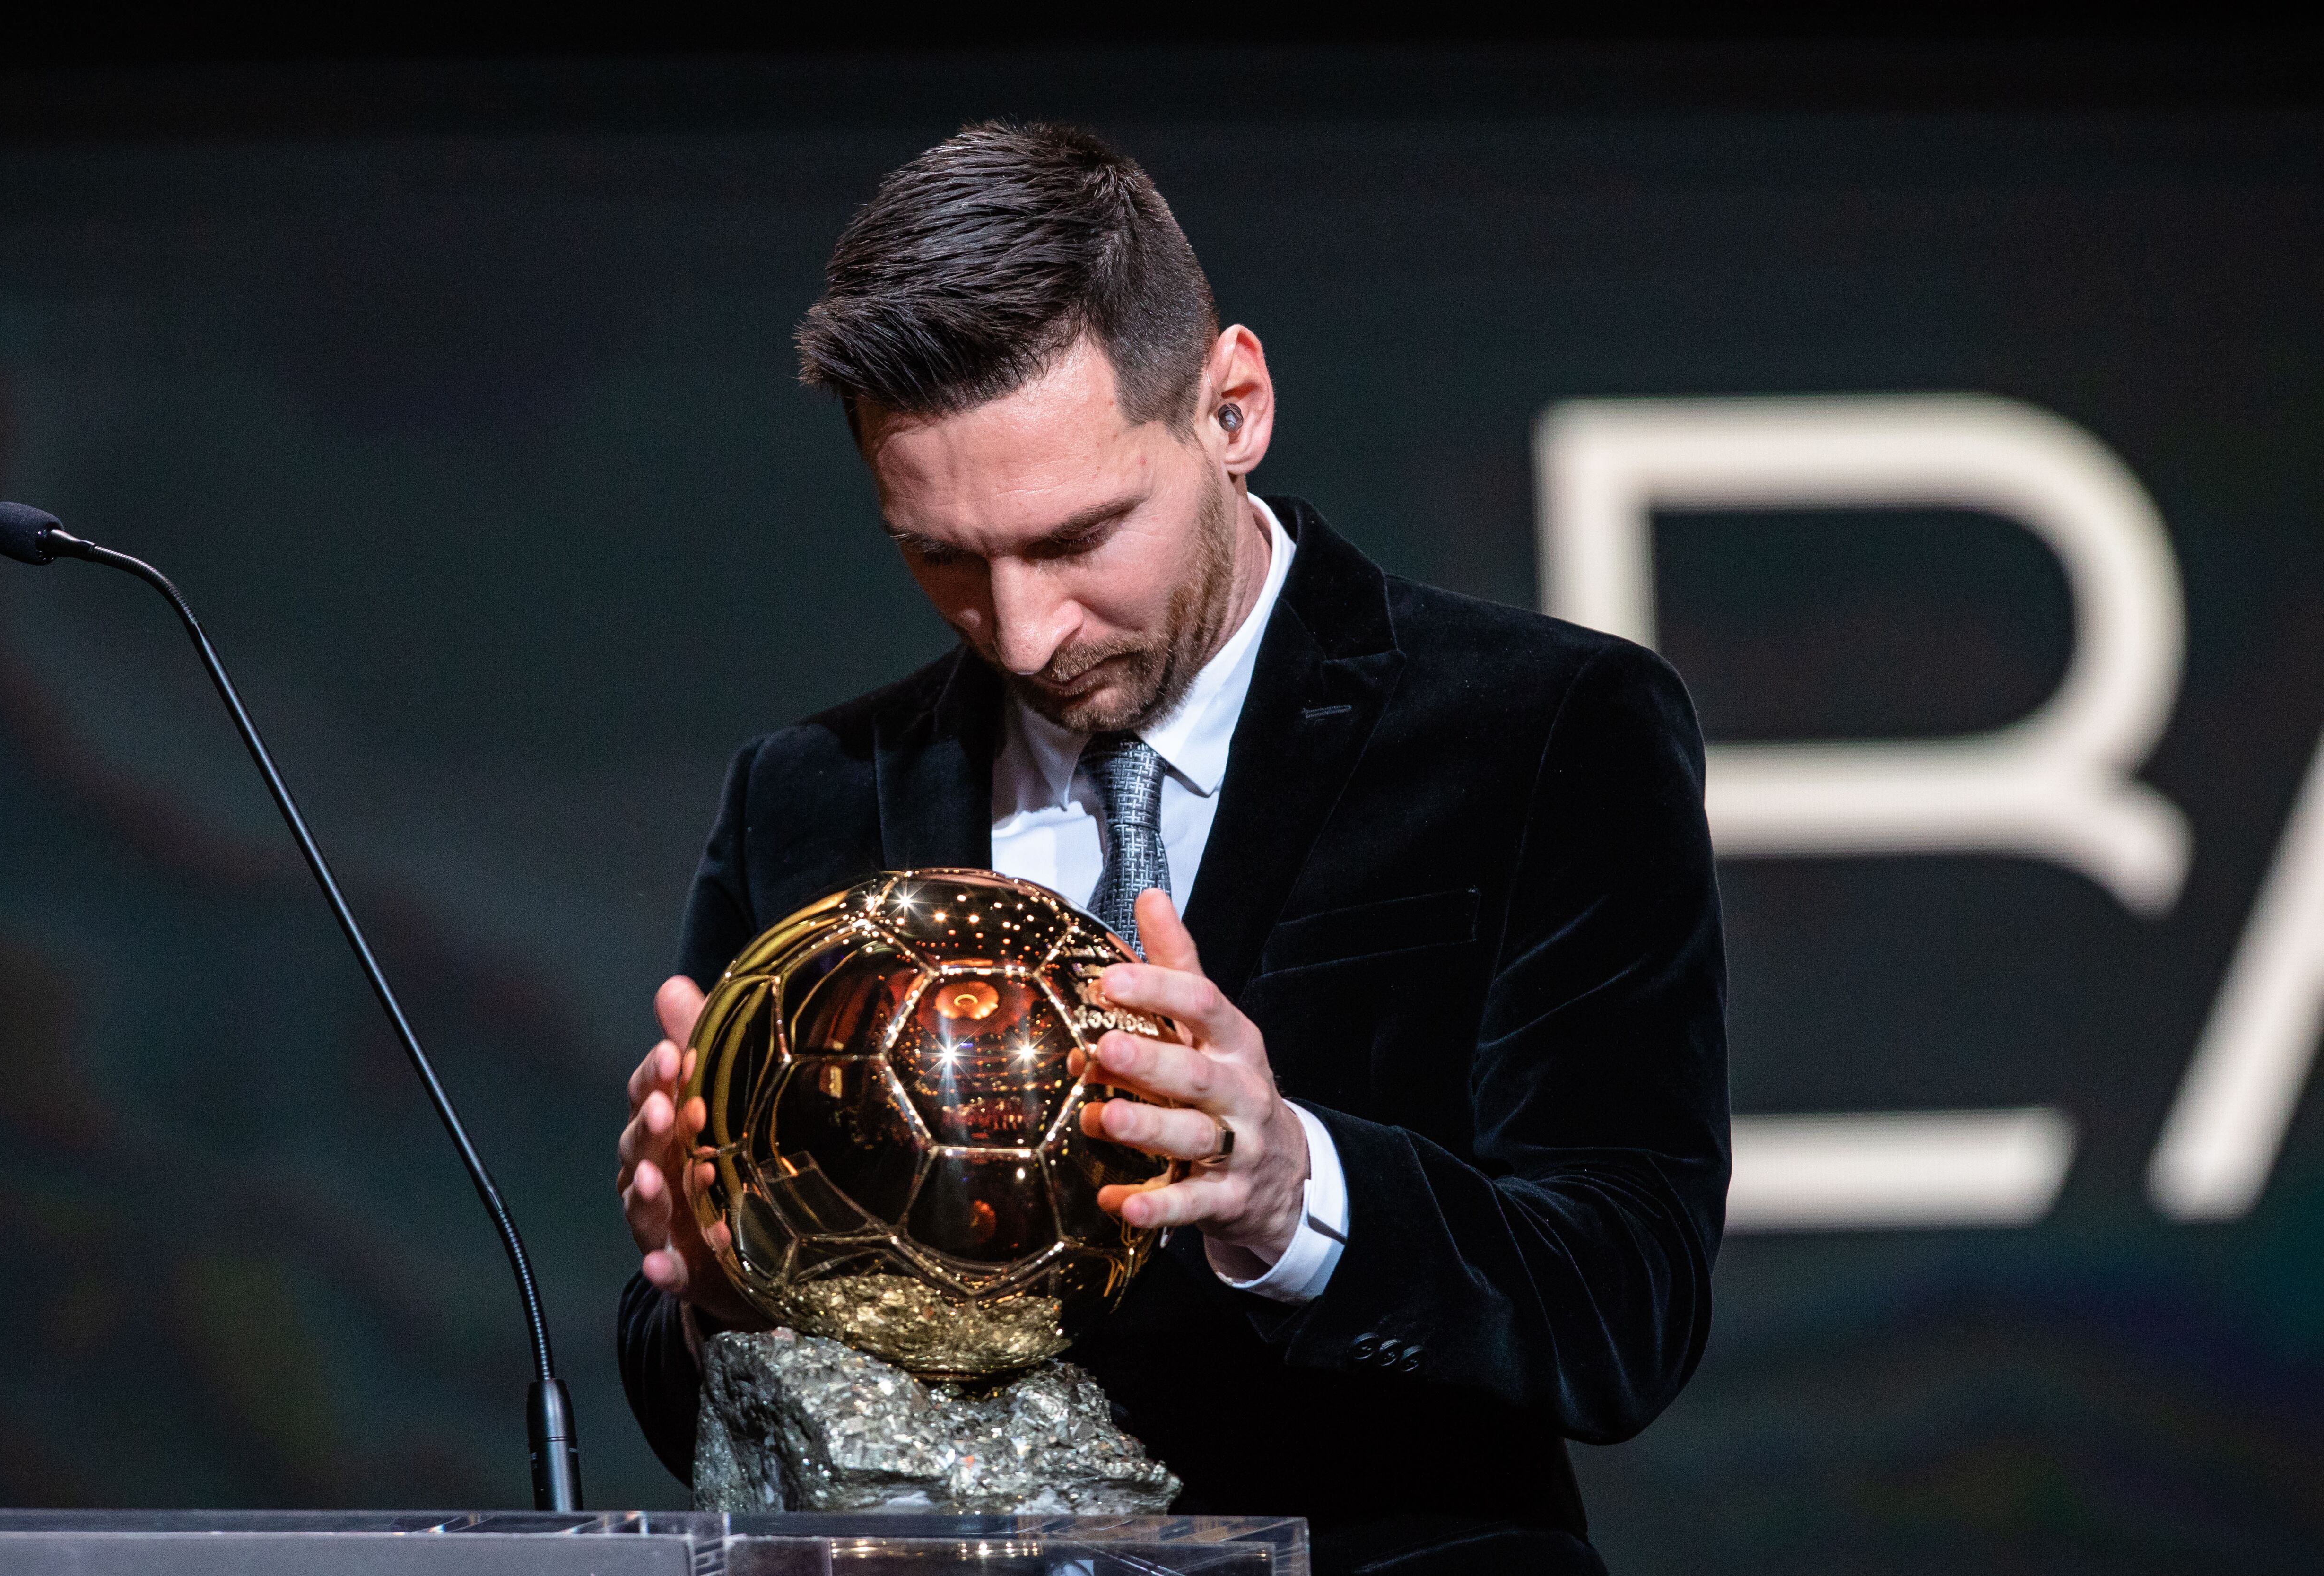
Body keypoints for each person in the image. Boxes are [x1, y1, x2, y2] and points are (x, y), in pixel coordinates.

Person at [615, 121, 1728, 1576]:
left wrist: (1292, 1189)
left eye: (1079, 537)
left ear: (1233, 408)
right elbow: (676, 1381)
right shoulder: (808, 799)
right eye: (944, 555)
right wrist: (718, 1289)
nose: (1023, 632)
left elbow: (1621, 1307)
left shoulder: (1547, 730)